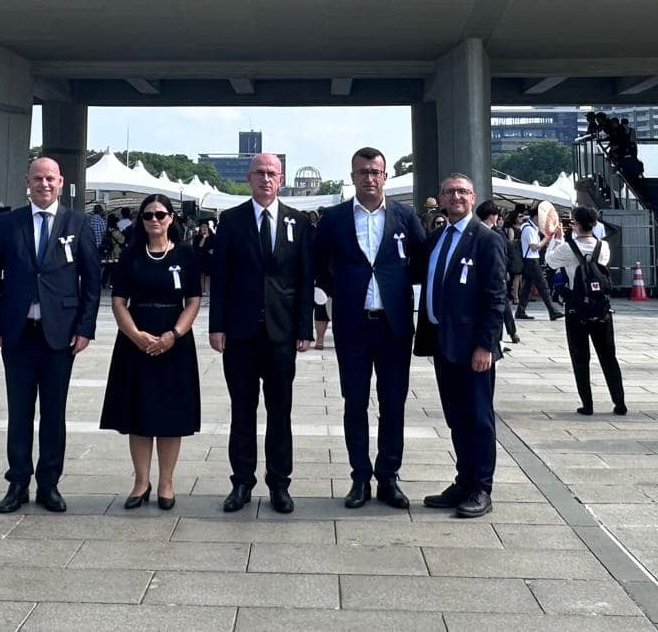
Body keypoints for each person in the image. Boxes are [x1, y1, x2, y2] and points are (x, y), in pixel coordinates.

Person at [0, 157, 101, 514]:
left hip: (59, 335)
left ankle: (49, 483)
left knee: (54, 412)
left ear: (61, 182)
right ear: (27, 181)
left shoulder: (77, 223)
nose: (44, 184)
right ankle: (18, 481)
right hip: (17, 333)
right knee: (19, 411)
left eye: (50, 179)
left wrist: (85, 328)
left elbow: (92, 282)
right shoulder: (8, 223)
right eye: (38, 178)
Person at [313, 148, 425, 509]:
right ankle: (359, 476)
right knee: (354, 402)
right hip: (353, 325)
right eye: (363, 172)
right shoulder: (334, 218)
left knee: (394, 403)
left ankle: (388, 476)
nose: (369, 178)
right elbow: (318, 263)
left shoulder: (406, 217)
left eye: (376, 172)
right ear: (352, 176)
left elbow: (421, 262)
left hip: (393, 325)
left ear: (385, 176)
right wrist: (341, 288)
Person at [209, 153, 314, 515]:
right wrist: (216, 326)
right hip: (239, 333)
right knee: (242, 411)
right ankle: (241, 483)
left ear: (281, 179)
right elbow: (220, 278)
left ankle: (279, 484)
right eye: (259, 173)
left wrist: (304, 328)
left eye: (272, 173)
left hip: (281, 333)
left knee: (280, 412)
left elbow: (305, 279)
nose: (266, 179)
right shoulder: (232, 220)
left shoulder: (297, 222)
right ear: (248, 178)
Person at [100, 194, 202, 511]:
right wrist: (134, 334)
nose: (154, 220)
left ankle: (166, 482)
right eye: (148, 215)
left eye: (160, 214)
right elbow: (118, 301)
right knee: (139, 413)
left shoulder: (185, 255)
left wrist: (175, 334)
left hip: (175, 342)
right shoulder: (130, 257)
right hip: (136, 341)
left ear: (171, 218)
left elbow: (194, 300)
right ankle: (141, 481)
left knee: (171, 415)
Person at [416, 174, 508, 519]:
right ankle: (463, 480)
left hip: (473, 348)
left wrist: (486, 345)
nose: (456, 196)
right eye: (450, 191)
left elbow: (495, 296)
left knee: (479, 419)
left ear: (473, 197)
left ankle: (482, 487)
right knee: (456, 417)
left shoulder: (486, 239)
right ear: (440, 196)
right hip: (444, 343)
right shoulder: (436, 237)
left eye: (463, 191)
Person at [546, 206, 627, 416]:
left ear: (576, 224)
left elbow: (550, 261)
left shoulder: (567, 248)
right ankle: (619, 402)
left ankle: (587, 404)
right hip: (601, 308)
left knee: (580, 357)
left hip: (576, 307)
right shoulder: (604, 246)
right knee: (609, 357)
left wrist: (555, 239)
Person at [477, 202, 520, 348]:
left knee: (502, 306)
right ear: (492, 216)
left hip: (494, 275)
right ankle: (501, 338)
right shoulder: (491, 234)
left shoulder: (480, 232)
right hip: (494, 276)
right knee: (498, 307)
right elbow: (502, 255)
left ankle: (506, 336)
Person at [516, 206, 562, 321]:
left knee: (527, 287)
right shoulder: (529, 229)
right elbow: (534, 247)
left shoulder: (531, 228)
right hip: (532, 260)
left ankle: (520, 310)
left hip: (530, 260)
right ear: (536, 216)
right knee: (543, 286)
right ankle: (552, 310)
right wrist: (546, 239)